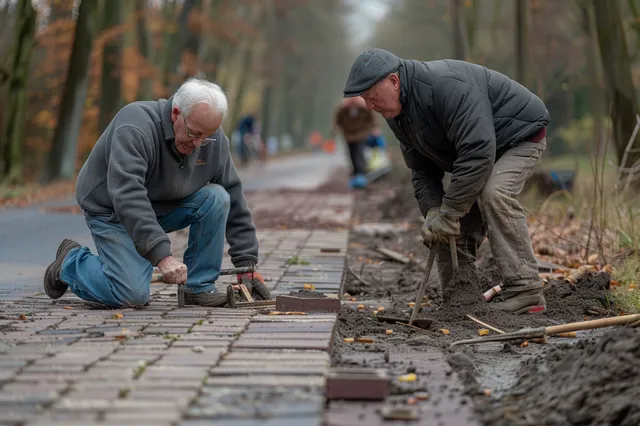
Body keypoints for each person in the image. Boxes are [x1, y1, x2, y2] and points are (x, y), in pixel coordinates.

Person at [343, 48, 550, 314]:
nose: (369, 107)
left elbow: (477, 153)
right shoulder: (397, 115)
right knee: (442, 220)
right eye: (364, 100)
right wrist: (432, 211)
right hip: (481, 150)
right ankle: (460, 299)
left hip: (518, 136)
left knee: (494, 193)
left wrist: (450, 211)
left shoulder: (445, 87)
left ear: (394, 81)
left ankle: (526, 291)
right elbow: (422, 171)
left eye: (371, 98)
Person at [43, 78, 269, 308]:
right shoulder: (135, 126)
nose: (199, 144)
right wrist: (162, 257)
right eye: (194, 133)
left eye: (207, 136)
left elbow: (234, 196)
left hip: (162, 206)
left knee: (217, 197)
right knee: (131, 294)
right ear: (176, 113)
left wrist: (247, 266)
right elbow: (128, 194)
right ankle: (71, 262)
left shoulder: (213, 139)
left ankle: (199, 287)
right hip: (112, 212)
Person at [333, 96, 376, 188]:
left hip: (361, 134)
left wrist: (374, 128)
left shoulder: (363, 108)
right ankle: (356, 172)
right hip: (349, 135)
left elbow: (371, 118)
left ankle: (361, 173)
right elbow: (337, 120)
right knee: (352, 154)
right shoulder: (343, 110)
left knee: (359, 153)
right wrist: (336, 128)